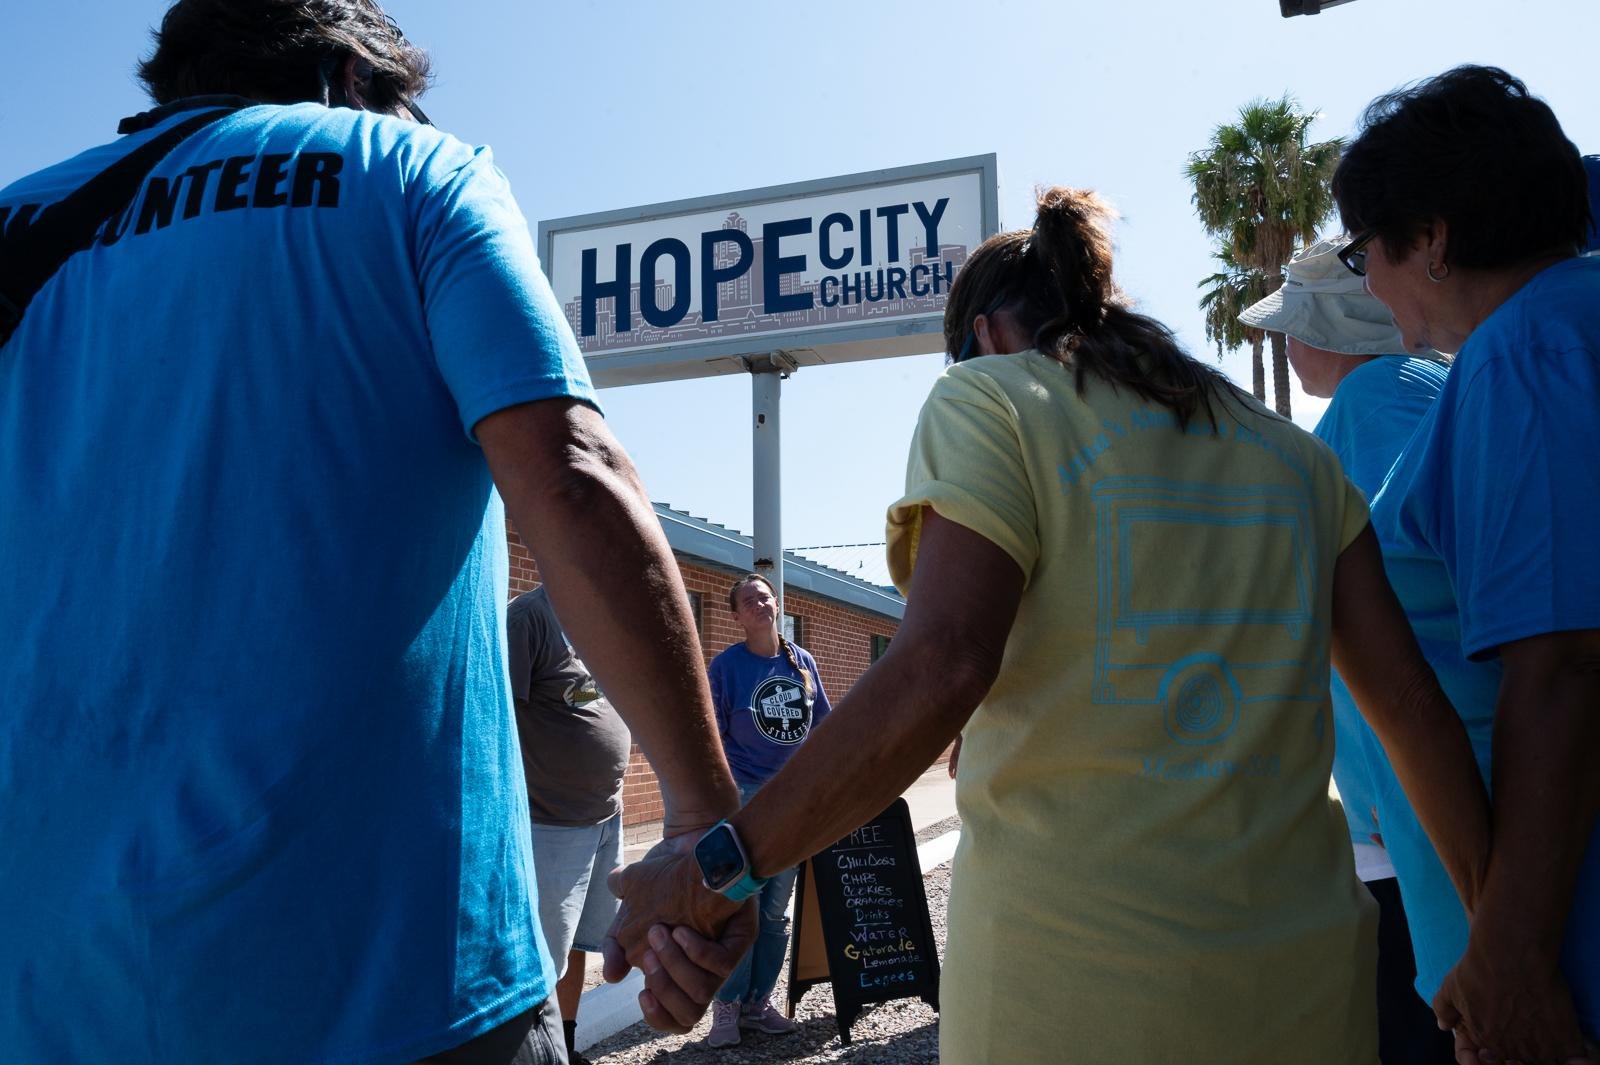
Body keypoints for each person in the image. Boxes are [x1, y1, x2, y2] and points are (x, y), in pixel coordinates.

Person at [0, 2, 749, 1062]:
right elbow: (571, 480)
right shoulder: (407, 169)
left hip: (44, 995)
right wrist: (705, 831)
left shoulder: (19, 219)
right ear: (350, 74)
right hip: (397, 990)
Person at [603, 186, 1496, 1063]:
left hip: (1068, 1000)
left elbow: (943, 665)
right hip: (1306, 999)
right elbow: (1415, 708)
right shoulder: (1297, 458)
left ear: (987, 334)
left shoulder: (991, 402)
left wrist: (715, 868)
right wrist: (1503, 938)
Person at [1332, 64, 1600, 1065]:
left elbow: (1565, 663)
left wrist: (1514, 956)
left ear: (1432, 237)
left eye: (1366, 255)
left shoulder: (1525, 350)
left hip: (1558, 961)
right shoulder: (1565, 326)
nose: (1373, 289)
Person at [1239, 236, 1454, 1064]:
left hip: (1414, 820)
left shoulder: (1367, 408)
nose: (1285, 344)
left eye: (1294, 323)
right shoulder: (1435, 385)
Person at [702, 574, 833, 1048]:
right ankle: (727, 1008)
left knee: (776, 911)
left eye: (765, 596)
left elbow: (823, 725)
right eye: (748, 600)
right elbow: (712, 735)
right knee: (741, 905)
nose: (759, 603)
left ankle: (759, 1004)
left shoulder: (802, 661)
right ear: (735, 615)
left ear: (778, 604)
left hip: (793, 800)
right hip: (745, 799)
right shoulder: (726, 667)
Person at [508, 586, 633, 1065]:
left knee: (579, 943)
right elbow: (500, 719)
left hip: (605, 816)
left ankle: (567, 1048)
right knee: (542, 957)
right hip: (550, 825)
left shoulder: (598, 614)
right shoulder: (528, 620)